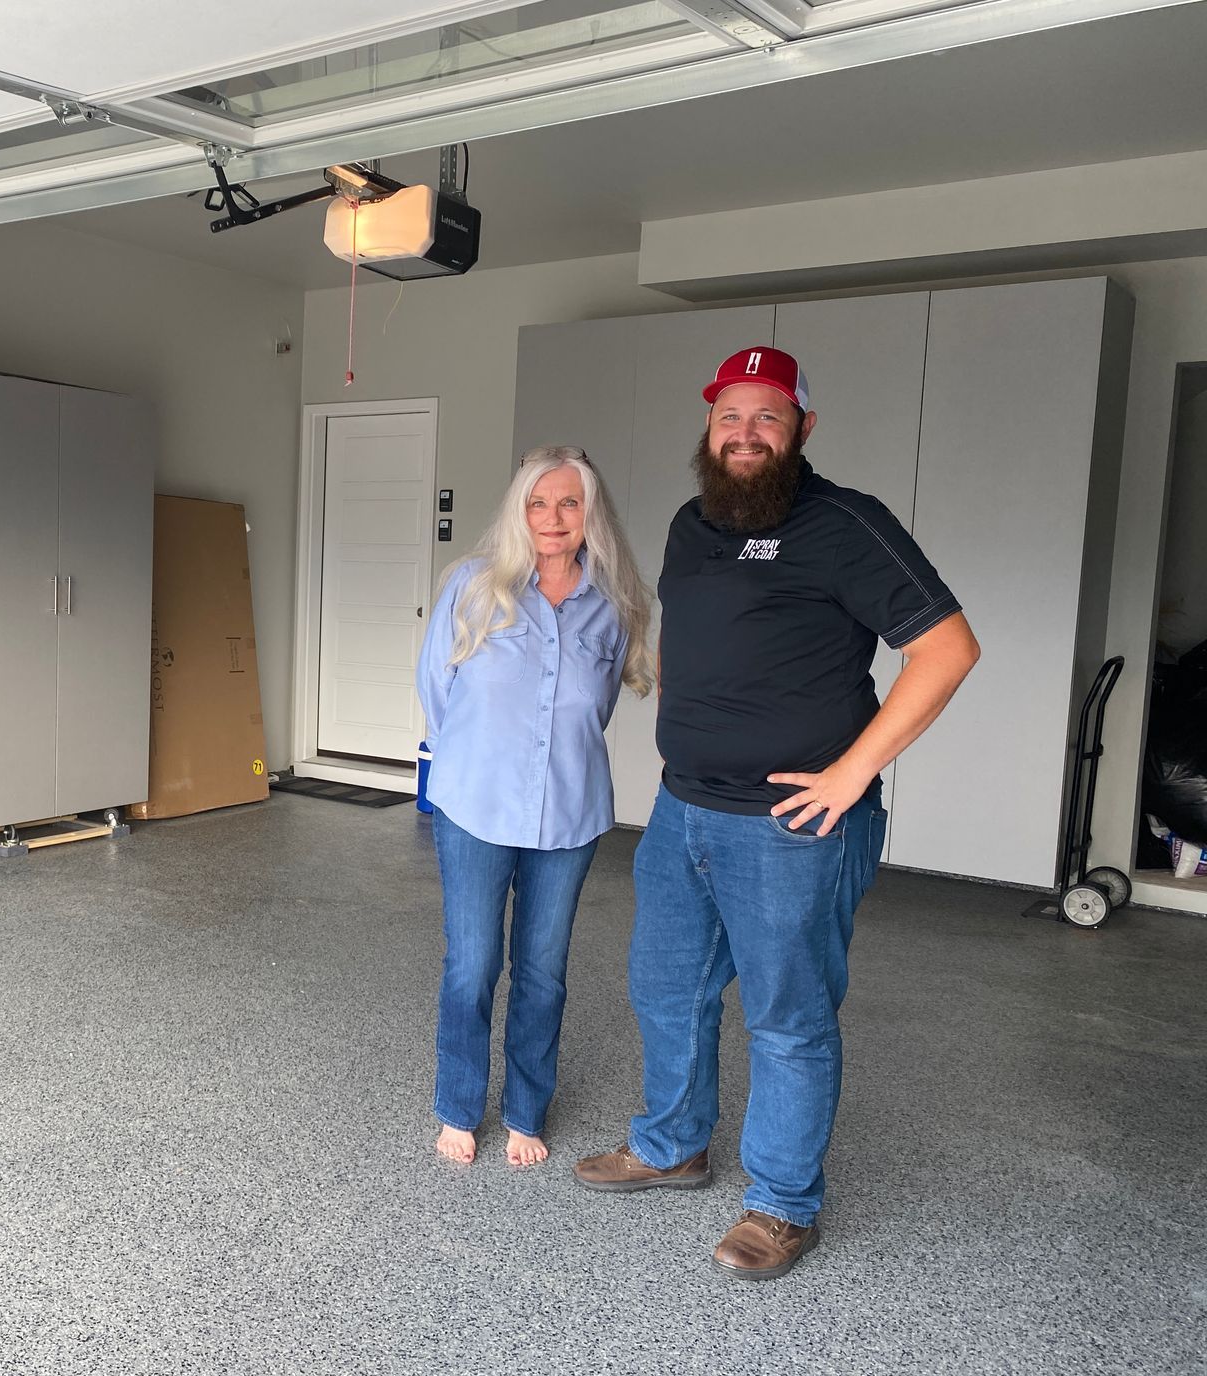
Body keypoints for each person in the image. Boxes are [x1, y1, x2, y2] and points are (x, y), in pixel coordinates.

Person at [573, 347, 981, 1278]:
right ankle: (672, 1145)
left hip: (792, 829)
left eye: (768, 416)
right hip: (683, 810)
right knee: (666, 990)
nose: (746, 432)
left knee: (788, 1019)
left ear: (802, 428)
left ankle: (783, 1204)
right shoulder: (690, 525)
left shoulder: (844, 523)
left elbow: (948, 649)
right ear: (709, 426)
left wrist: (850, 773)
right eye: (731, 415)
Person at [416, 445, 653, 1167]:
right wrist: (473, 759)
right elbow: (435, 690)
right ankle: (459, 1107)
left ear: (590, 515)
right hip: (475, 803)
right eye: (538, 503)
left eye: (569, 503)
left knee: (544, 971)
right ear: (519, 512)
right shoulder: (473, 586)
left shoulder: (611, 604)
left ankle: (525, 1111)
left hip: (568, 811)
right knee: (473, 964)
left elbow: (596, 708)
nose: (553, 517)